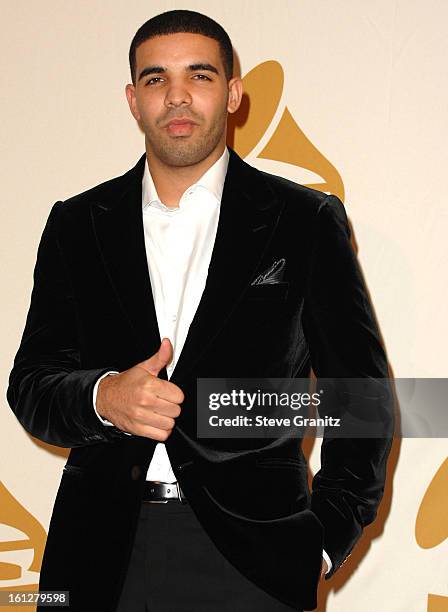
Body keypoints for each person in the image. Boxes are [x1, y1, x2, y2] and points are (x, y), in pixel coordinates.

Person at [6, 9, 394, 612]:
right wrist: (103, 397)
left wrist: (320, 540)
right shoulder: (77, 224)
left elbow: (360, 399)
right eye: (156, 79)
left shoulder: (303, 222)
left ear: (234, 94)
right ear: (133, 100)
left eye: (200, 75)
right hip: (94, 552)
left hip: (255, 555)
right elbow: (31, 385)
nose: (178, 96)